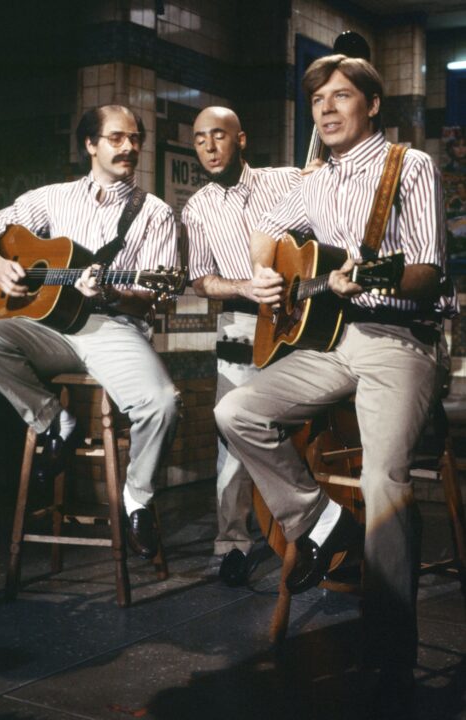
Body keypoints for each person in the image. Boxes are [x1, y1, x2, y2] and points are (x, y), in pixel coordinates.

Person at [214, 55, 456, 700]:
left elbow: (429, 269)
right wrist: (269, 274)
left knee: (383, 478)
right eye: (317, 98)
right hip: (330, 341)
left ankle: (388, 650)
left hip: (399, 341)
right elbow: (267, 236)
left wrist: (372, 274)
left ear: (371, 105)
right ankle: (324, 526)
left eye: (341, 96)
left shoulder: (409, 165)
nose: (325, 108)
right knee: (235, 411)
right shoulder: (310, 180)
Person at [0, 104, 181, 560]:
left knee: (163, 403)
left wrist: (110, 295)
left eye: (135, 139)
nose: (130, 148)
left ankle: (137, 495)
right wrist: (0, 264)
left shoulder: (154, 213)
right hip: (49, 329)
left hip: (111, 326)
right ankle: (53, 419)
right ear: (90, 145)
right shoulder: (51, 198)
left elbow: (157, 297)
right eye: (117, 138)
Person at [181, 106, 302, 586]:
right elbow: (201, 281)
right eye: (200, 140)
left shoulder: (287, 181)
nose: (210, 147)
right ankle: (233, 542)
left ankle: (311, 530)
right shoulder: (197, 208)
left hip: (298, 320)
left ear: (241, 139)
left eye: (219, 136)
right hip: (238, 324)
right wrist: (243, 286)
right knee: (231, 436)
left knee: (307, 430)